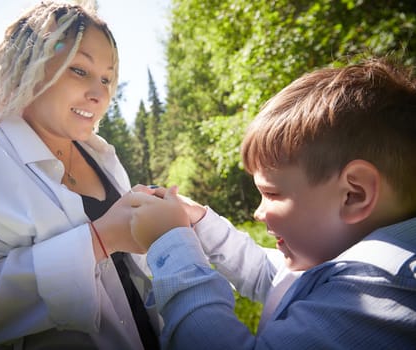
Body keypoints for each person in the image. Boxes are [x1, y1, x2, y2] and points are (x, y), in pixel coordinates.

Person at [0, 1, 161, 349]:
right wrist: (100, 240)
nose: (100, 93)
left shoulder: (102, 155)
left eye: (106, 77)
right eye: (79, 70)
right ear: (27, 65)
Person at [129, 57, 416, 349]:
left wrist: (170, 244)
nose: (258, 212)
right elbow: (274, 277)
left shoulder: (381, 291)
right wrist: (200, 221)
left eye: (272, 194)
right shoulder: (336, 258)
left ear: (354, 195)